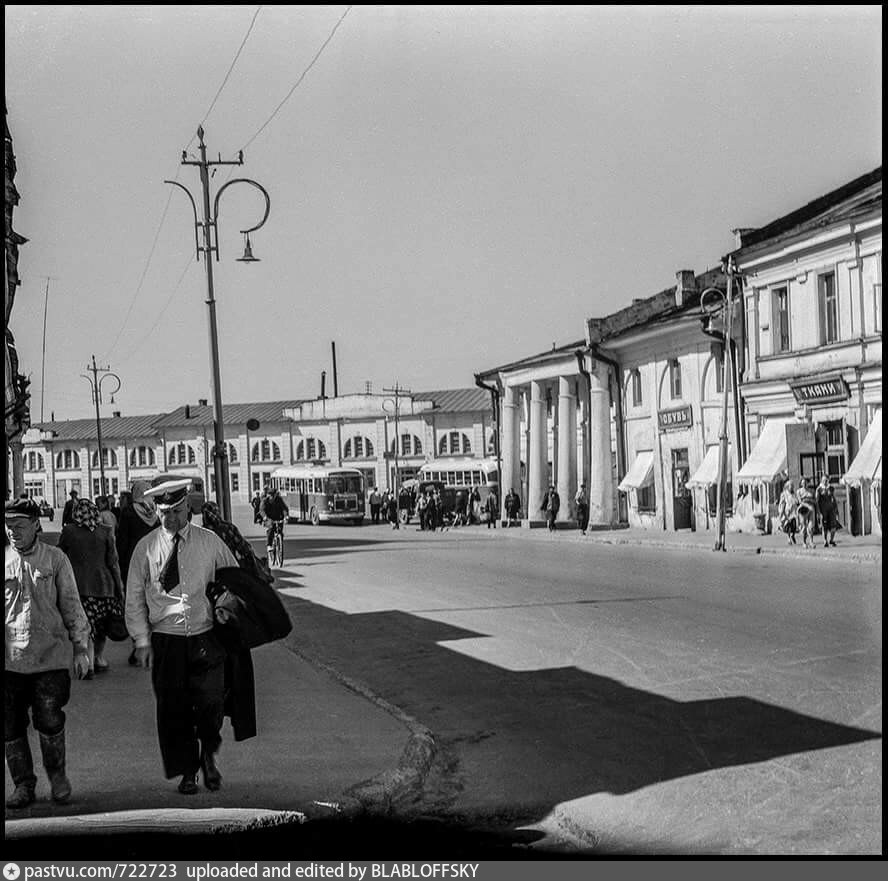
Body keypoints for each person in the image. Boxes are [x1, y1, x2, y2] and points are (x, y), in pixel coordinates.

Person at [125, 479, 239, 795]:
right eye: (164, 512)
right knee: (174, 710)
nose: (170, 518)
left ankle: (208, 756)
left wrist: (225, 606)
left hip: (206, 638)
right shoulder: (146, 548)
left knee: (211, 705)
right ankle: (188, 772)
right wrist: (141, 641)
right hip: (166, 641)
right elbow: (133, 596)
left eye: (176, 511)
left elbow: (233, 580)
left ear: (188, 505)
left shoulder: (210, 542)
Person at [5, 498, 90, 809]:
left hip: (50, 660)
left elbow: (71, 605)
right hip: (9, 663)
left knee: (50, 720)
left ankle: (57, 777)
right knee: (9, 725)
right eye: (8, 525)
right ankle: (23, 785)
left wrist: (81, 648)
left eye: (20, 525)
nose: (13, 531)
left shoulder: (55, 560)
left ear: (35, 526)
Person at [57, 498, 125, 678]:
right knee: (101, 627)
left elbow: (59, 556)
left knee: (84, 627)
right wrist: (120, 587)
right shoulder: (106, 531)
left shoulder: (69, 531)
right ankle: (99, 659)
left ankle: (88, 663)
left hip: (78, 588)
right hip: (104, 587)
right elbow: (113, 562)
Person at [202, 501, 273, 584]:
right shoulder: (228, 528)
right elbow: (243, 547)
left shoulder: (201, 533)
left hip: (209, 576)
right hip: (230, 569)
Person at [259, 485, 289, 560]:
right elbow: (262, 510)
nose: (272, 497)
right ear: (269, 495)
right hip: (269, 518)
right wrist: (265, 517)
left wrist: (286, 516)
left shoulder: (279, 500)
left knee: (280, 531)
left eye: (273, 495)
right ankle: (269, 545)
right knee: (271, 528)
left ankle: (279, 544)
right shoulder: (265, 501)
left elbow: (284, 508)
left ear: (275, 495)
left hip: (278, 517)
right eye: (270, 495)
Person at [796, 478, 816, 549]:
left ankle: (811, 541)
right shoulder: (799, 491)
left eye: (805, 483)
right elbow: (800, 501)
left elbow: (815, 500)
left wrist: (811, 501)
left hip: (811, 509)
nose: (804, 484)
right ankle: (804, 542)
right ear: (801, 484)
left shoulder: (812, 491)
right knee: (804, 526)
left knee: (810, 526)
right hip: (803, 509)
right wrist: (807, 505)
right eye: (803, 483)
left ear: (808, 483)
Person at [777, 479, 798, 545]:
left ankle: (793, 535)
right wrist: (782, 513)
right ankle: (789, 538)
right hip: (787, 512)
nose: (792, 487)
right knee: (788, 526)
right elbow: (782, 503)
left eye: (792, 486)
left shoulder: (794, 493)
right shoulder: (784, 494)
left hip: (793, 512)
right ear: (787, 486)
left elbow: (796, 501)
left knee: (794, 526)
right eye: (790, 486)